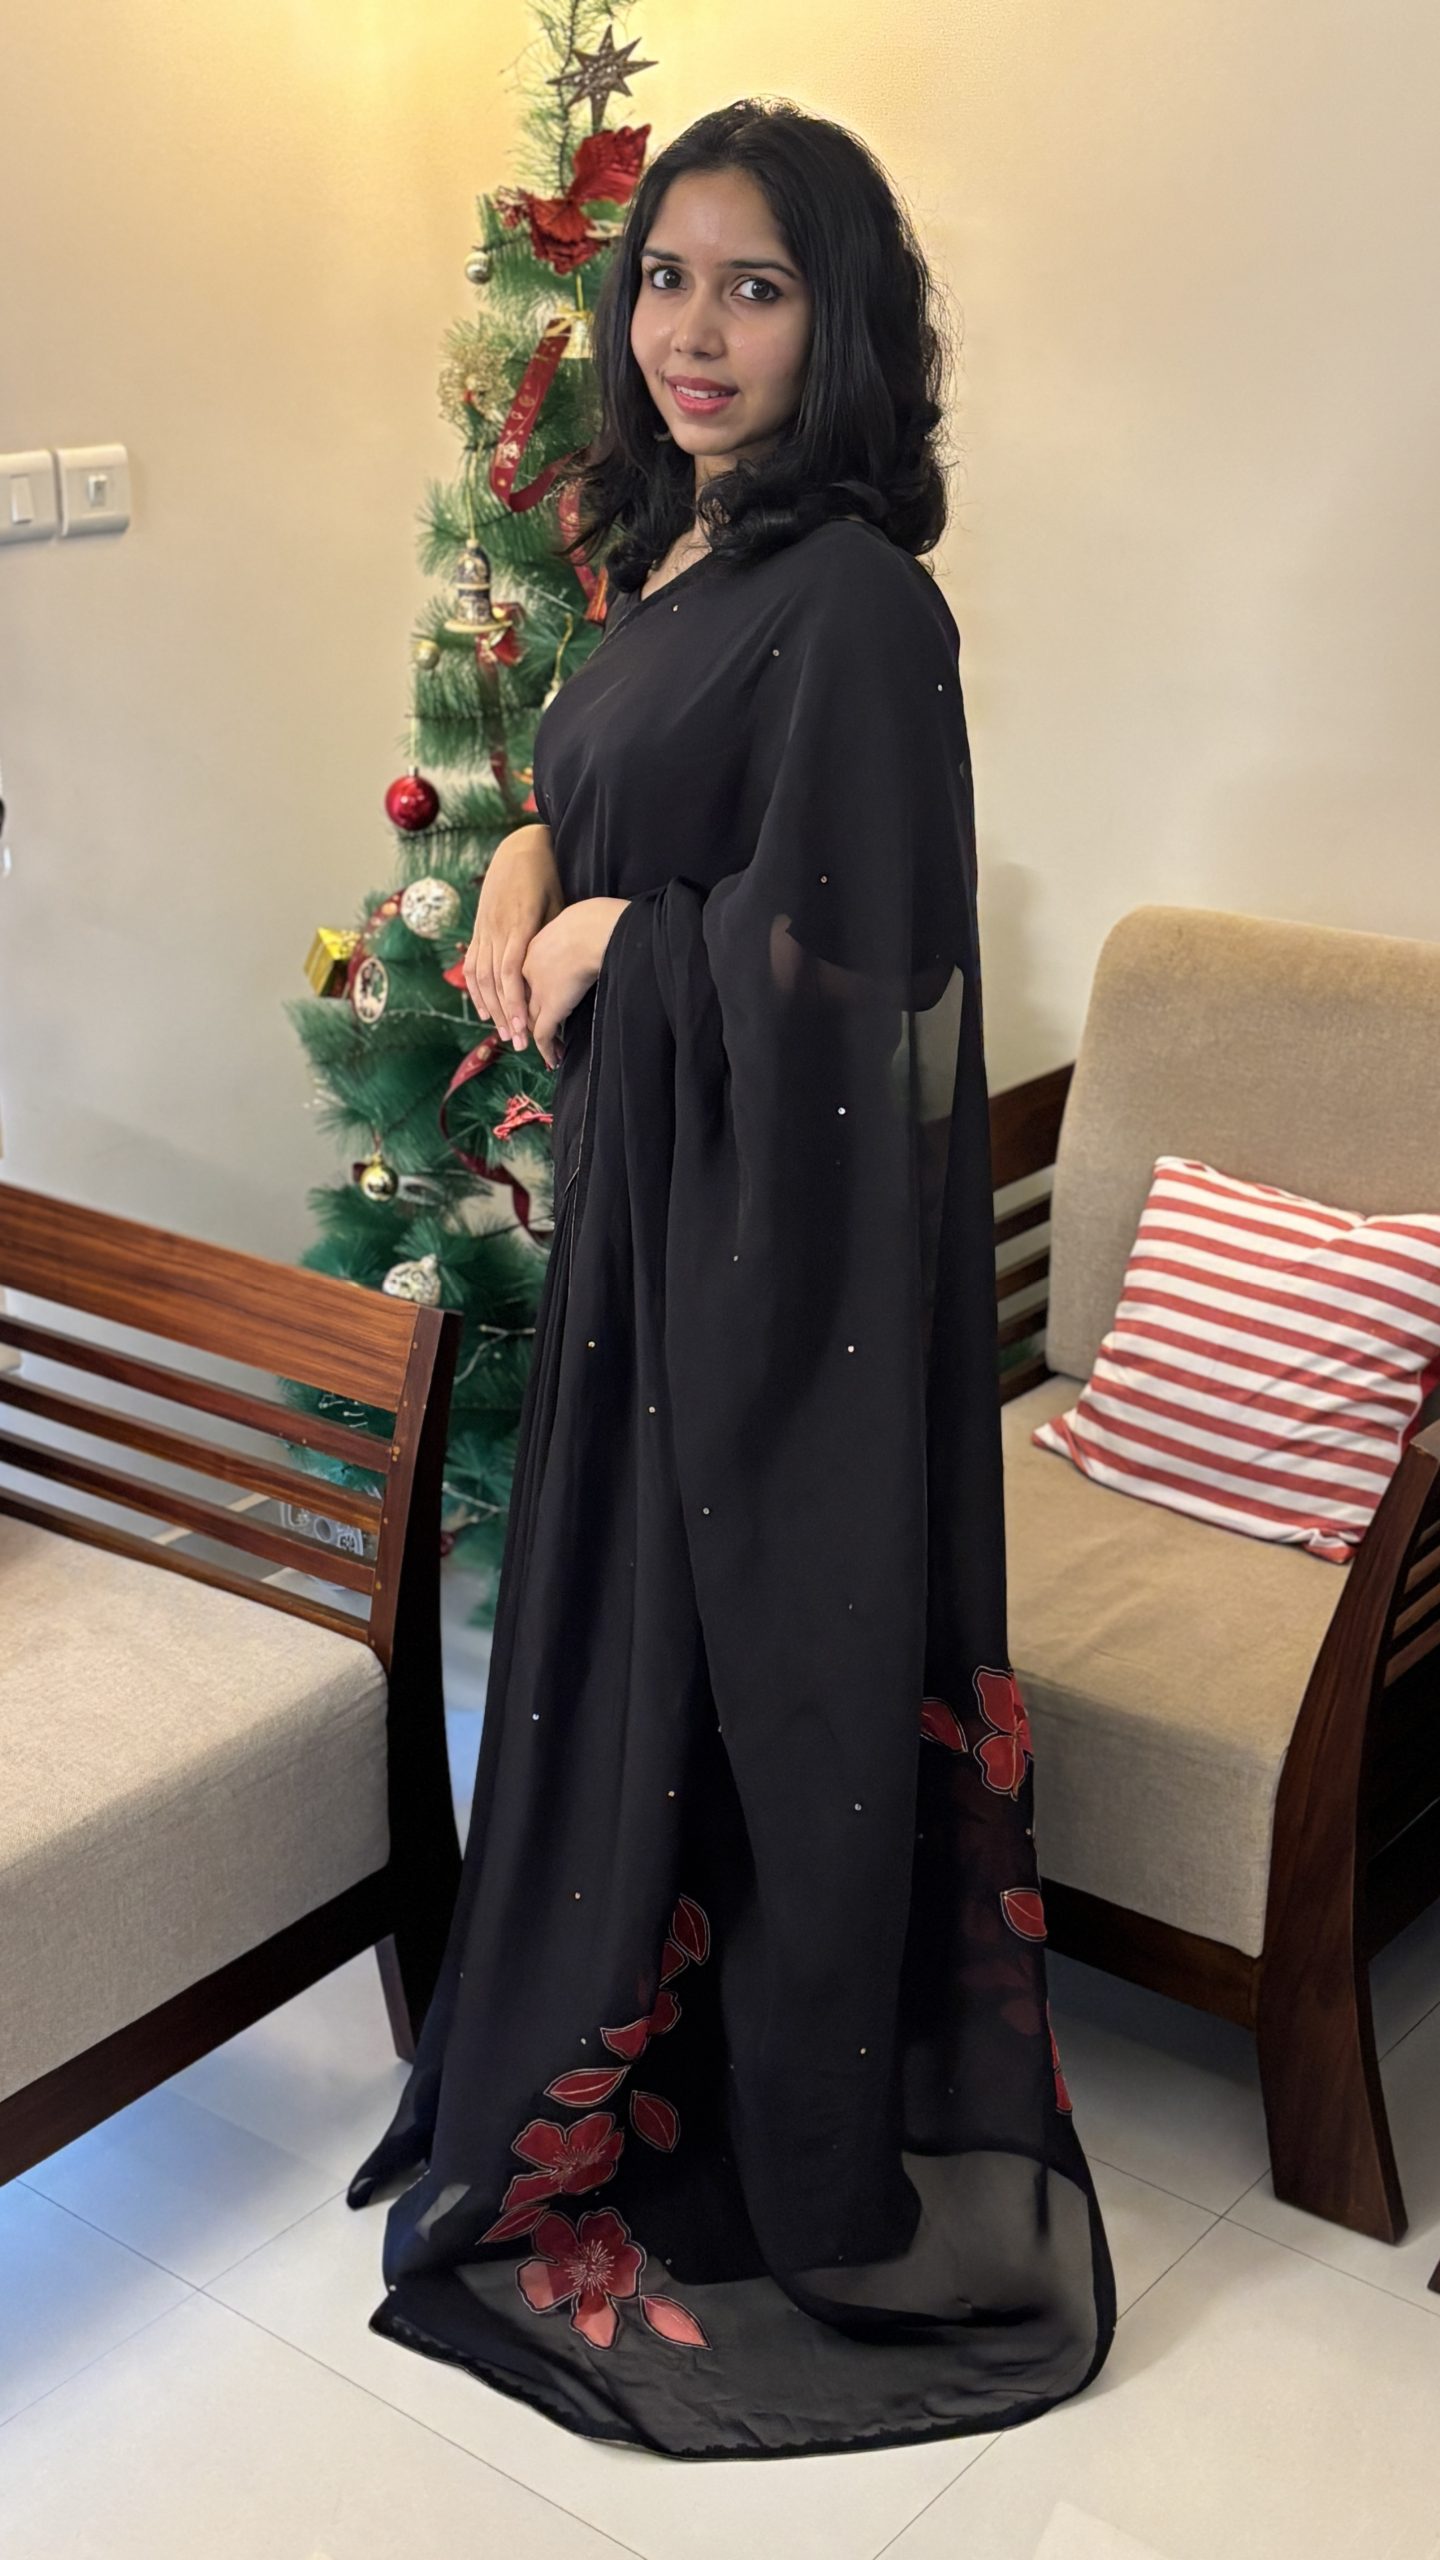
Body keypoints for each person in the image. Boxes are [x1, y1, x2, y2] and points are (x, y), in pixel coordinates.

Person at [346, 95, 1118, 2459]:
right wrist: (526, 868)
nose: (694, 329)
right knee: (620, 1643)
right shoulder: (676, 542)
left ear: (838, 319)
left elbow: (864, 964)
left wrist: (629, 943)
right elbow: (604, 778)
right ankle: (596, 2044)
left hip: (765, 1269)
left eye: (755, 287)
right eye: (666, 276)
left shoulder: (862, 601)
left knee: (748, 1659)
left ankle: (786, 2138)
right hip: (646, 1235)